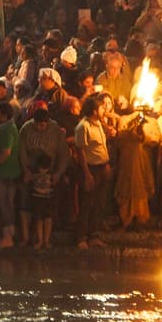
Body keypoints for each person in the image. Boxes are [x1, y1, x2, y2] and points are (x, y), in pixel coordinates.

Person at [17, 106, 69, 247]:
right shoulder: (26, 129)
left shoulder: (56, 130)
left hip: (49, 176)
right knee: (25, 205)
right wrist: (25, 171)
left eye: (43, 125)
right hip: (31, 173)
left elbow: (63, 153)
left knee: (47, 210)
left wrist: (58, 173)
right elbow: (21, 151)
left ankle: (45, 239)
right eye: (38, 124)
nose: (40, 127)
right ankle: (26, 237)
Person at [74, 95, 110, 249]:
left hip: (102, 168)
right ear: (94, 111)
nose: (104, 109)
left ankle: (94, 235)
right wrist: (87, 174)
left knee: (99, 203)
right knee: (87, 203)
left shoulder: (99, 124)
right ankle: (81, 237)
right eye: (102, 107)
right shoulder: (83, 126)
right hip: (90, 169)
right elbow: (80, 151)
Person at [0, 101, 21, 248]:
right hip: (4, 172)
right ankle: (9, 234)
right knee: (6, 204)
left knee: (5, 204)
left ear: (4, 115)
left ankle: (8, 237)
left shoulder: (7, 129)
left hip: (5, 173)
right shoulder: (4, 127)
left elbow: (5, 153)